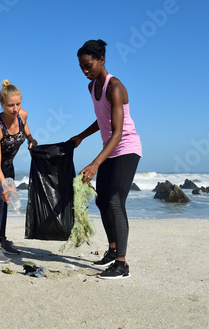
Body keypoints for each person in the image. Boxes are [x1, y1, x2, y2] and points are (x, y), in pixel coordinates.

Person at [70, 39, 142, 279]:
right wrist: (81, 136)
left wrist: (95, 163)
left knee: (114, 203)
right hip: (109, 149)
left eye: (88, 65)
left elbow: (118, 131)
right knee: (102, 202)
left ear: (102, 60)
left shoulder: (115, 87)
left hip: (126, 149)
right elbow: (103, 119)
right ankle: (112, 251)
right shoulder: (92, 88)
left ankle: (122, 265)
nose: (85, 71)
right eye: (81, 67)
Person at [0, 79, 37, 263]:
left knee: (7, 201)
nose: (15, 109)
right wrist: (5, 184)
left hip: (8, 163)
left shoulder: (22, 115)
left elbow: (25, 126)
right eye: (10, 105)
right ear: (2, 104)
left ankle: (3, 241)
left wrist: (30, 138)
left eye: (18, 104)